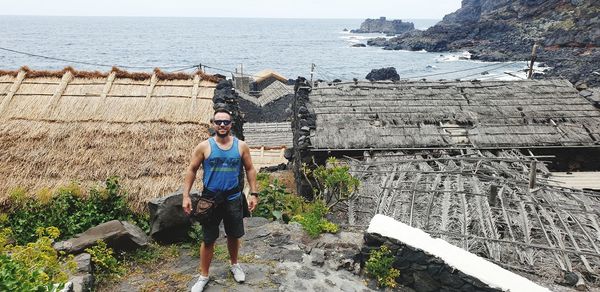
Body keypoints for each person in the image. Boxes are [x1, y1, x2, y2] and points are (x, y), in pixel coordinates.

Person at [182, 108, 259, 292]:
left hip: (233, 197)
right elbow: (191, 169)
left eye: (226, 122)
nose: (222, 125)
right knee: (208, 239)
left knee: (233, 235)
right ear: (213, 124)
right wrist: (186, 195)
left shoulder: (241, 146)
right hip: (210, 200)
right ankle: (204, 276)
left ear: (231, 124)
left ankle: (234, 265)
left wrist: (254, 193)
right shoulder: (204, 146)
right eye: (219, 122)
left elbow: (250, 169)